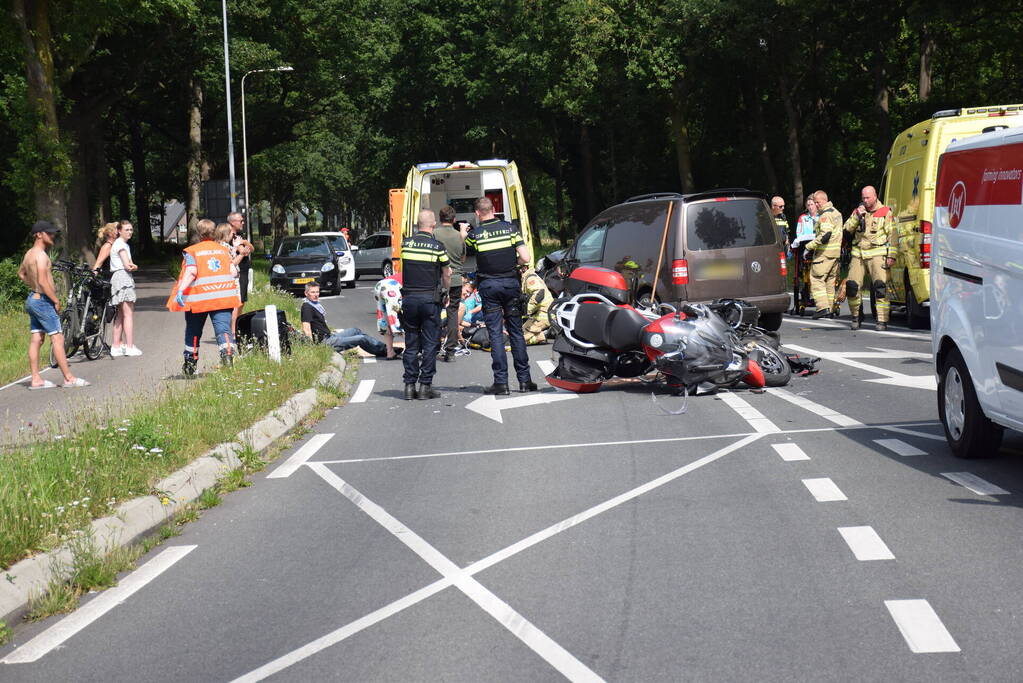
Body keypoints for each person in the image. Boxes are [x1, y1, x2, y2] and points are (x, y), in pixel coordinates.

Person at [465, 196, 536, 394]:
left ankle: (501, 383)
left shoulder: (476, 234)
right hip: (511, 285)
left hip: (488, 286)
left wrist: (463, 235)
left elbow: (463, 256)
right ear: (494, 209)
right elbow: (526, 257)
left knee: (495, 333)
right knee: (516, 332)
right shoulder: (510, 229)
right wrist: (514, 264)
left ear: (477, 213)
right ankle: (525, 380)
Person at [18, 220, 89, 389]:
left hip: (32, 300)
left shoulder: (29, 254)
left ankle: (36, 380)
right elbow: (42, 280)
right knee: (57, 338)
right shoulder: (41, 256)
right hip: (43, 301)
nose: (53, 236)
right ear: (39, 234)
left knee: (37, 338)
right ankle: (69, 378)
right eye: (49, 233)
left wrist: (34, 287)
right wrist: (55, 299)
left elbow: (21, 274)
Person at [167, 218, 242, 376]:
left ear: (199, 233)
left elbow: (191, 272)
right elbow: (233, 272)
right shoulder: (223, 250)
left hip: (199, 300)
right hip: (223, 298)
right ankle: (228, 357)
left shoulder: (192, 251)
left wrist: (180, 290)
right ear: (213, 232)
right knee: (223, 330)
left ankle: (190, 364)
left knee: (193, 331)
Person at [398, 209, 451, 400]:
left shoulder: (406, 244)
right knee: (430, 344)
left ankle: (409, 386)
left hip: (409, 299)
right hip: (429, 300)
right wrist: (446, 291)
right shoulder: (437, 247)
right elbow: (447, 273)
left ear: (417, 225)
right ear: (433, 224)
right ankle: (425, 386)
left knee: (411, 343)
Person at [842, 185, 896, 330]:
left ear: (875, 196)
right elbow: (846, 230)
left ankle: (882, 320)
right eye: (863, 198)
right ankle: (856, 316)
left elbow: (893, 235)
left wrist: (892, 256)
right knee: (852, 287)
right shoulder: (858, 211)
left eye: (868, 198)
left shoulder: (885, 212)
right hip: (858, 253)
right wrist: (857, 216)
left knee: (880, 287)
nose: (865, 200)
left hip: (877, 253)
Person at [300, 283, 392, 356]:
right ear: (306, 293)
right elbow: (306, 328)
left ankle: (384, 347)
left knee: (355, 330)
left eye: (317, 292)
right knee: (361, 338)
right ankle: (386, 350)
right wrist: (312, 348)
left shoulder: (314, 305)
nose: (316, 295)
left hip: (330, 337)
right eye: (313, 292)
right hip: (325, 343)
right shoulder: (307, 307)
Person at [433, 205, 465, 362]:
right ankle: (451, 351)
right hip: (456, 280)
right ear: (454, 219)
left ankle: (433, 347)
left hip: (437, 280)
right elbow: (463, 258)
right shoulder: (459, 236)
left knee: (434, 313)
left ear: (440, 219)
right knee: (452, 313)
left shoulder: (434, 234)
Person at [804, 190, 843, 319]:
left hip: (824, 254)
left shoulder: (825, 215)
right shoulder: (836, 212)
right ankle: (831, 309)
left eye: (817, 202)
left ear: (824, 200)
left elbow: (825, 235)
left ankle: (822, 308)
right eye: (814, 202)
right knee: (830, 282)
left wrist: (809, 246)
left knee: (816, 279)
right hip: (835, 254)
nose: (816, 205)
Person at [107, 220, 141, 356]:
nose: (130, 232)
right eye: (127, 230)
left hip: (117, 277)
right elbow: (128, 265)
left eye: (131, 229)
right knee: (128, 313)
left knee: (120, 314)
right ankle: (129, 346)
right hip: (123, 277)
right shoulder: (121, 245)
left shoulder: (119, 244)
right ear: (119, 231)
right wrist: (135, 266)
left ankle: (116, 346)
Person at [227, 211, 253, 336]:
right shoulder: (230, 236)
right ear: (232, 222)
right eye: (240, 221)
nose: (243, 222)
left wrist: (246, 243)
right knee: (236, 303)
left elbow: (251, 248)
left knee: (242, 302)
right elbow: (244, 251)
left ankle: (237, 327)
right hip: (237, 273)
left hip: (244, 271)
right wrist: (243, 246)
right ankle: (233, 331)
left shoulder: (240, 235)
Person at [790, 195, 817, 313]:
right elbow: (799, 233)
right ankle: (805, 292)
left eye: (812, 204)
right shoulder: (803, 218)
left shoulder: (822, 217)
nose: (810, 207)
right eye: (809, 205)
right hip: (805, 245)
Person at [520, 265, 554, 345]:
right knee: (520, 335)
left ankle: (546, 334)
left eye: (519, 268)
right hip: (540, 314)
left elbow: (539, 293)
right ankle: (542, 335)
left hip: (544, 314)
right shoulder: (526, 277)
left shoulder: (530, 278)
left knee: (519, 339)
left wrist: (528, 309)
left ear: (525, 268)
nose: (518, 271)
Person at [373, 274, 404, 360]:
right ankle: (410, 351)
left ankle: (390, 352)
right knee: (400, 319)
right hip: (391, 287)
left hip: (379, 285)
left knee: (385, 319)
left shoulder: (408, 271)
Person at [215, 222, 243, 304]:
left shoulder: (218, 245)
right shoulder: (225, 247)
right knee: (235, 303)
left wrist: (234, 247)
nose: (233, 234)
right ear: (226, 234)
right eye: (231, 232)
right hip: (231, 279)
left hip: (222, 279)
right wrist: (242, 254)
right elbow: (232, 263)